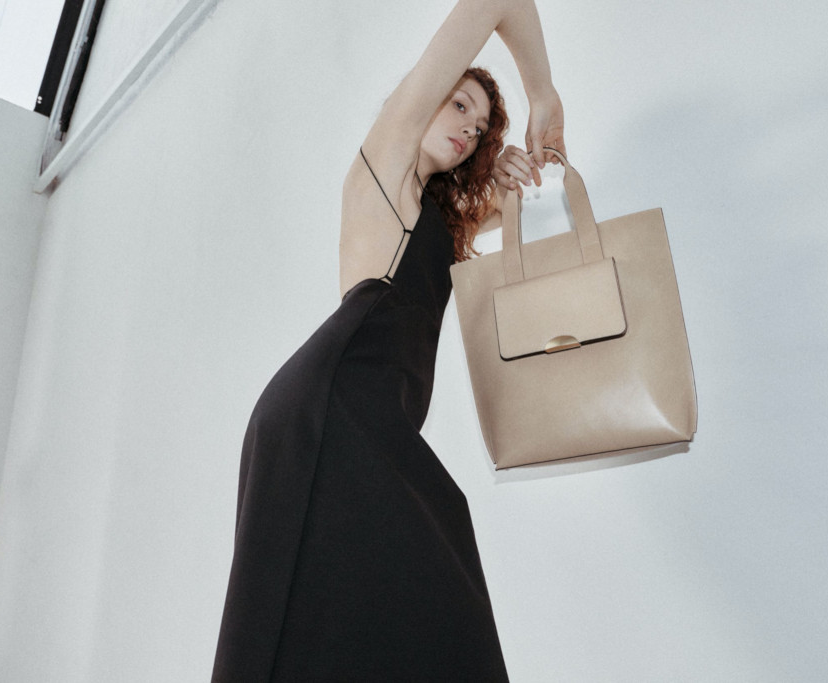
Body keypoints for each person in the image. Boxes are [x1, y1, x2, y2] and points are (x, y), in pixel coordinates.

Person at [212, 1, 565, 679]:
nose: (469, 125)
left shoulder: (430, 211)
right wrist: (542, 96)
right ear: (422, 98)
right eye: (458, 103)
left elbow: (478, 215)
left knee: (359, 625)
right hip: (331, 412)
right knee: (421, 602)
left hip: (367, 422)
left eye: (482, 124)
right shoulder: (385, 162)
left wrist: (514, 179)